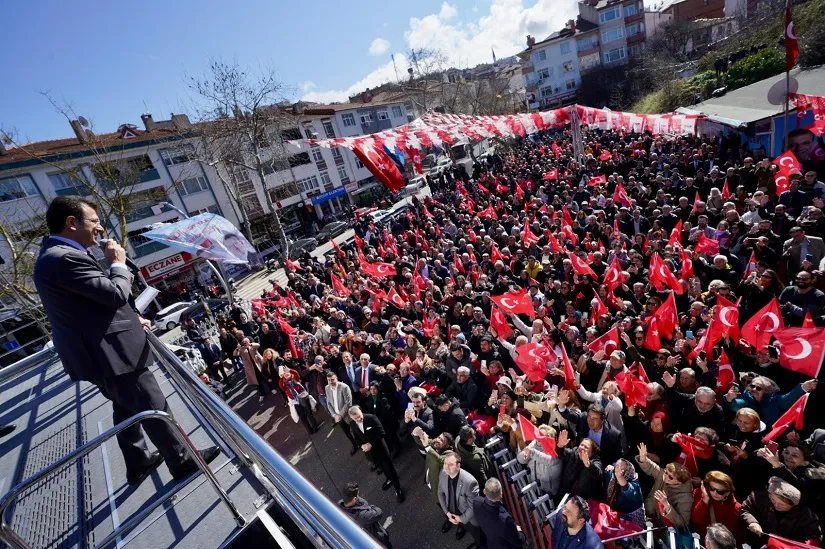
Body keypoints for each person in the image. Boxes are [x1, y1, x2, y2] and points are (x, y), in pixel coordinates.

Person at [33, 196, 218, 485]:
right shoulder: (64, 258)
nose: (99, 227)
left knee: (125, 406)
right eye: (94, 221)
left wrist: (132, 318)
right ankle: (182, 460)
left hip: (98, 351)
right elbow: (114, 294)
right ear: (72, 223)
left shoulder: (57, 255)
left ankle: (138, 461)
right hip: (110, 353)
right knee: (152, 403)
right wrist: (118, 264)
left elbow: (92, 303)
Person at [741, 476, 821, 545]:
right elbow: (745, 509)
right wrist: (752, 522)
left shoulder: (805, 515)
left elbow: (814, 536)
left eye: (781, 504)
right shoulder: (758, 498)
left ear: (793, 504)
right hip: (760, 543)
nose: (776, 505)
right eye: (773, 500)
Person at [348, 406, 405, 503]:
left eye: (359, 416)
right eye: (355, 418)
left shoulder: (371, 418)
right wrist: (361, 446)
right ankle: (388, 479)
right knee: (382, 468)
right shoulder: (352, 425)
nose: (358, 419)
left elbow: (381, 433)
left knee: (389, 469)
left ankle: (398, 489)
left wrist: (371, 444)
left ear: (361, 411)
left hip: (381, 449)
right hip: (370, 454)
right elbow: (356, 438)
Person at [437, 451, 482, 549]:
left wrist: (461, 519)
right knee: (462, 526)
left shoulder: (470, 482)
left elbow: (472, 507)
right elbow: (440, 492)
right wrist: (447, 512)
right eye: (445, 463)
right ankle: (462, 528)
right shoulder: (443, 473)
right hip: (452, 513)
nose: (446, 467)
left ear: (458, 466)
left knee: (478, 536)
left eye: (451, 464)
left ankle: (480, 545)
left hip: (468, 517)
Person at [473, 477, 525, 549]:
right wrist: (519, 532)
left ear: (484, 491)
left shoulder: (477, 502)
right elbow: (519, 541)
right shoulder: (505, 520)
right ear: (501, 494)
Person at [338, 481, 392, 548]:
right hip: (377, 541)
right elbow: (379, 513)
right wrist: (372, 507)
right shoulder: (362, 515)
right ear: (355, 499)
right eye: (358, 494)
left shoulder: (339, 506)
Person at [279, 367, 319, 435]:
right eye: (284, 374)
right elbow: (280, 385)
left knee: (309, 413)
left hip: (303, 398)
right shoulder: (284, 385)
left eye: (287, 373)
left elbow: (296, 373)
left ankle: (315, 427)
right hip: (295, 402)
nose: (286, 374)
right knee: (303, 417)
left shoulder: (295, 379)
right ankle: (309, 431)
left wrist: (290, 370)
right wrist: (281, 376)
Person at [325, 372, 357, 455]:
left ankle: (362, 444)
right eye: (328, 380)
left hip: (348, 415)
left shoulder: (344, 387)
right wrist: (334, 415)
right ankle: (354, 445)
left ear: (336, 378)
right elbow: (328, 403)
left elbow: (348, 403)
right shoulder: (327, 388)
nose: (330, 382)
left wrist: (340, 415)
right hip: (337, 417)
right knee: (347, 432)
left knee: (356, 431)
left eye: (332, 379)